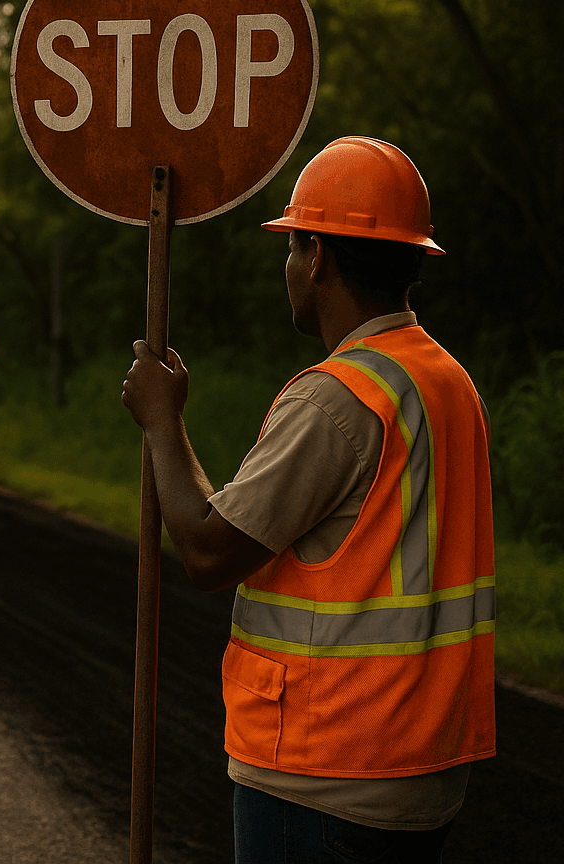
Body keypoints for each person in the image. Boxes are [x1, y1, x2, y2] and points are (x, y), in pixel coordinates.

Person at [121, 136, 494, 863]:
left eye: (293, 247)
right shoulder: (449, 381)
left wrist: (163, 422)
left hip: (326, 775)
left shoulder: (338, 398)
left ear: (318, 257)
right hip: (424, 768)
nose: (287, 267)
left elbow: (206, 547)